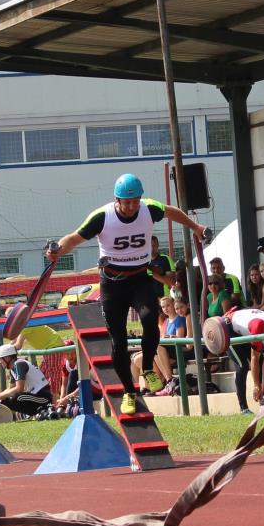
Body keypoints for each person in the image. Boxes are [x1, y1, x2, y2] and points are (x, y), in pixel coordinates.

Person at [45, 174, 210, 415]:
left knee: (150, 320)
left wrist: (195, 227)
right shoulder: (102, 217)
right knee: (118, 342)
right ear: (117, 200)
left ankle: (148, 368)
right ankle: (129, 392)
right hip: (112, 285)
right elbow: (73, 238)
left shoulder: (148, 208)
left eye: (135, 201)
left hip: (140, 278)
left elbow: (172, 212)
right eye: (127, 202)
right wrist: (58, 251)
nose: (132, 206)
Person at [0, 344, 53, 420]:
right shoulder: (13, 368)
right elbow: (11, 388)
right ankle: (33, 414)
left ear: (7, 357)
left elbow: (19, 389)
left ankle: (40, 411)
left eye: (0, 359)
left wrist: (2, 395)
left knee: (17, 397)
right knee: (4, 400)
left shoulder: (19, 364)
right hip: (34, 396)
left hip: (43, 398)